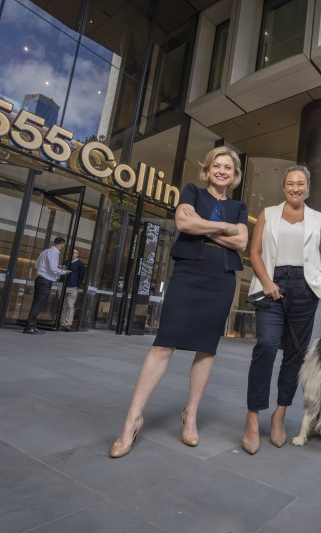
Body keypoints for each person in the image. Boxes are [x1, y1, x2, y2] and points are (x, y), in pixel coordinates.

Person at [109, 146, 248, 458]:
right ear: (208, 170)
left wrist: (207, 226)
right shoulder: (192, 191)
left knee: (206, 349)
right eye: (217, 165)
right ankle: (132, 419)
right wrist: (223, 228)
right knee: (163, 345)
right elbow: (185, 225)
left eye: (228, 167)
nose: (222, 171)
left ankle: (191, 416)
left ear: (235, 175)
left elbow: (242, 241)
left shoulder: (239, 206)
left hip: (221, 279)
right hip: (188, 274)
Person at [241, 165, 321, 455]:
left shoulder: (318, 219)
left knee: (295, 354)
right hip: (272, 284)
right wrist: (267, 282)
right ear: (284, 187)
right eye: (290, 183)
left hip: (304, 289)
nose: (295, 188)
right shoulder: (268, 214)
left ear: (308, 187)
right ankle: (253, 419)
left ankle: (279, 416)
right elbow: (254, 252)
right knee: (266, 346)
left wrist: (317, 283)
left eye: (301, 183)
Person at [24, 237, 69, 335]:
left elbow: (36, 266)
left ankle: (32, 326)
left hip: (40, 279)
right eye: (63, 245)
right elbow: (53, 269)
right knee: (38, 304)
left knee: (36, 303)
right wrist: (64, 272)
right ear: (62, 244)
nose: (63, 247)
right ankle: (30, 327)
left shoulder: (45, 251)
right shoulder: (54, 253)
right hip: (45, 281)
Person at [59, 248, 85, 331]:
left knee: (70, 305)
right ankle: (62, 323)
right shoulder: (65, 262)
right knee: (63, 306)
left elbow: (82, 277)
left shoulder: (80, 264)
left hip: (73, 287)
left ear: (77, 255)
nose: (74, 254)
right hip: (64, 287)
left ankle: (68, 324)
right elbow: (61, 273)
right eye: (72, 252)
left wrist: (76, 286)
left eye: (76, 253)